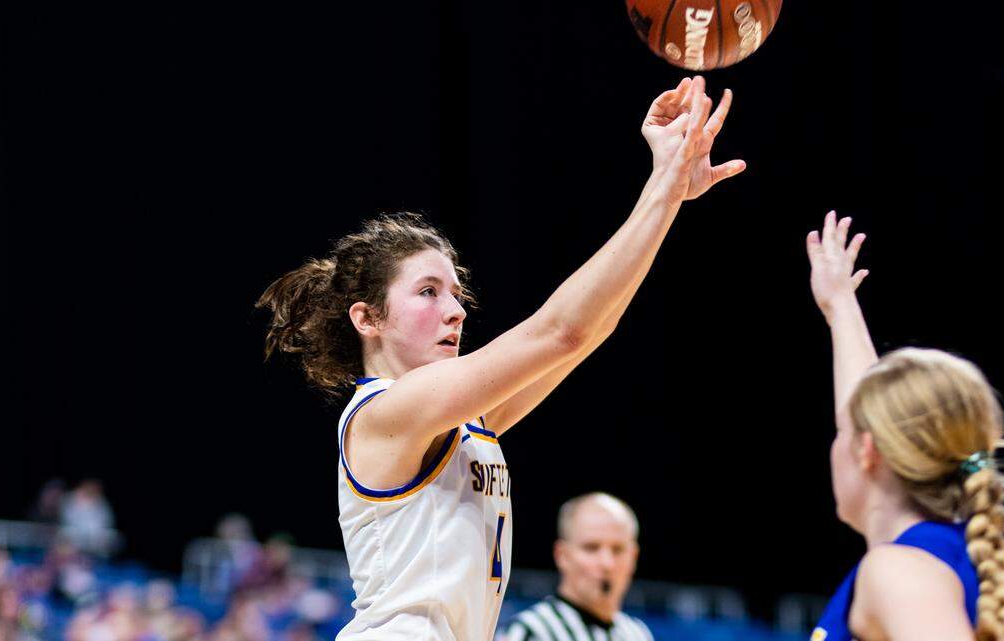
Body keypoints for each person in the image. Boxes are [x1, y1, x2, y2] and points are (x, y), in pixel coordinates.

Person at [255, 75, 745, 641]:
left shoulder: (463, 421)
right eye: (428, 292)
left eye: (457, 295)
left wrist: (670, 197)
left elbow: (588, 333)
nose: (456, 311)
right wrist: (661, 183)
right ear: (367, 319)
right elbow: (561, 331)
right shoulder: (386, 412)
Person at [806, 211, 1004, 641]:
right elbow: (866, 413)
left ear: (867, 451)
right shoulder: (943, 555)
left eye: (844, 432)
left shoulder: (898, 572)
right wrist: (840, 307)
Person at [501, 493, 653, 641]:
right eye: (591, 548)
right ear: (562, 555)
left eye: (618, 549)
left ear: (634, 557)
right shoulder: (528, 632)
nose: (607, 563)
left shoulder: (637, 634)